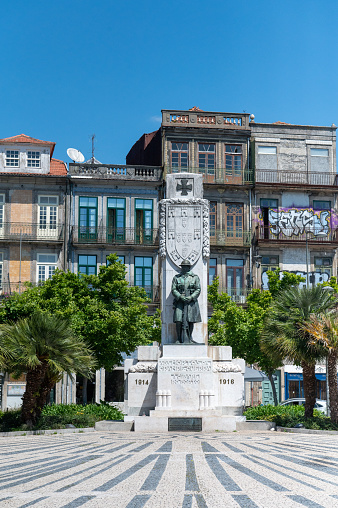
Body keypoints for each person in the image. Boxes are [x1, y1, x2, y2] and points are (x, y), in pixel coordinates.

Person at [171, 259, 201, 343]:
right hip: (180, 301)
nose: (183, 268)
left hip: (191, 302)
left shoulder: (195, 277)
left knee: (190, 320)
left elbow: (198, 289)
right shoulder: (177, 278)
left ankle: (189, 337)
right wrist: (180, 296)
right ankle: (179, 338)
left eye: (185, 267)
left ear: (188, 267)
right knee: (178, 319)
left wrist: (191, 297)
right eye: (182, 267)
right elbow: (173, 289)